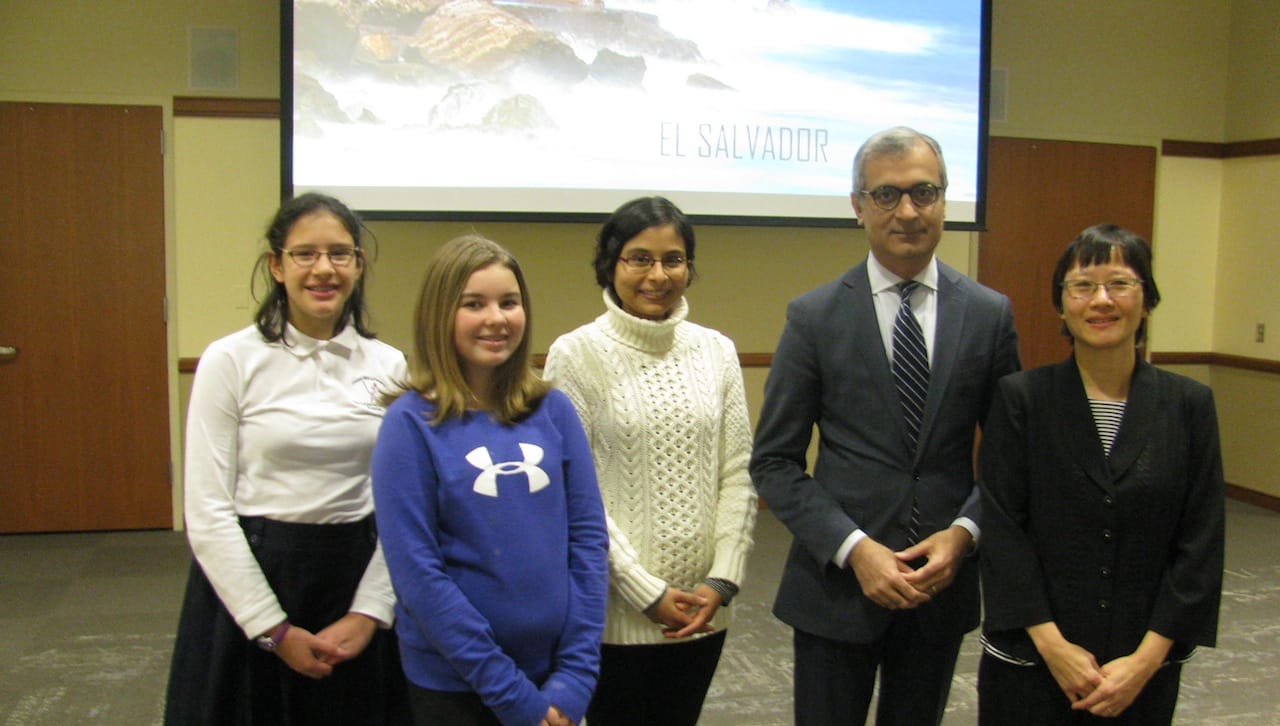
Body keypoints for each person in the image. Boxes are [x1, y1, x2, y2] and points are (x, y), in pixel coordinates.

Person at [749, 126, 1021, 725]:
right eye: (885, 195)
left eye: (924, 192)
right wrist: (855, 550)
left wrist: (964, 534)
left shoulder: (987, 314)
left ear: (944, 200)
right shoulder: (814, 316)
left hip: (939, 589)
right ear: (857, 206)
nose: (906, 211)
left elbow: (1010, 456)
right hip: (837, 588)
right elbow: (773, 462)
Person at [165, 193, 410, 725]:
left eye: (340, 254)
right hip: (253, 583)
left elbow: (403, 507)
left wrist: (369, 612)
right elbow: (207, 511)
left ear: (358, 265)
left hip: (354, 580)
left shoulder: (389, 364)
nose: (324, 269)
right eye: (305, 254)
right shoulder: (231, 360)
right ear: (277, 266)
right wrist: (272, 628)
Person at [977, 224, 1224, 724]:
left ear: (1147, 301)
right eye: (1083, 285)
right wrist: (1053, 647)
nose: (1102, 300)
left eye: (1120, 283)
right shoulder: (1022, 399)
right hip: (1032, 659)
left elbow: (1200, 541)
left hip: (1139, 668)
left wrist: (1146, 660)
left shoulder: (1189, 405)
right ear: (1061, 305)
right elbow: (1004, 531)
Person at [370, 234, 609, 726]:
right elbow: (418, 576)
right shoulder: (410, 425)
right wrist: (513, 695)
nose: (496, 319)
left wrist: (577, 675)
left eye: (509, 302)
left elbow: (587, 541)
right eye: (473, 304)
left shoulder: (553, 410)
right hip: (456, 683)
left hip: (555, 679)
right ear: (440, 315)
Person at [542, 196, 758, 725]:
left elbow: (738, 473)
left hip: (704, 611)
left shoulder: (717, 351)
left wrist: (722, 580)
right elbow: (575, 495)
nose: (658, 274)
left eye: (674, 259)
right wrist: (646, 592)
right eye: (639, 258)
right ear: (611, 264)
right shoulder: (574, 355)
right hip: (614, 617)